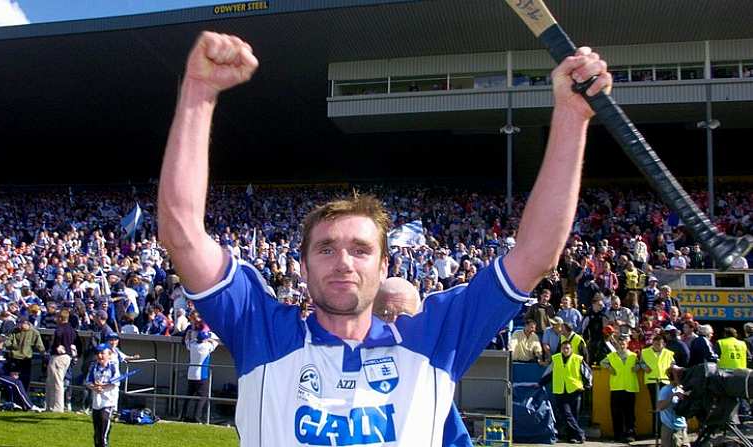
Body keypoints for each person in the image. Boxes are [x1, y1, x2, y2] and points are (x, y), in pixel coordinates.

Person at [157, 31, 611, 445]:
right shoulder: (263, 331)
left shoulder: (433, 338)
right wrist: (199, 92)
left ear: (385, 266)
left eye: (361, 249)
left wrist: (571, 117)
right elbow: (181, 232)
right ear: (303, 265)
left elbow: (536, 254)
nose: (344, 261)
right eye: (326, 248)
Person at [372, 277, 471, 447]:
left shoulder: (429, 386)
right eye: (385, 315)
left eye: (405, 316)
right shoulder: (342, 367)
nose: (396, 323)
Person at [538, 341, 592, 443]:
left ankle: (572, 437)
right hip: (560, 390)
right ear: (561, 349)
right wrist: (540, 383)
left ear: (571, 349)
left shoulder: (578, 359)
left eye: (567, 348)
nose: (565, 350)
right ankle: (580, 433)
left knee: (573, 415)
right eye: (564, 348)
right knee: (566, 414)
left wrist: (587, 385)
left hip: (575, 390)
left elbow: (587, 372)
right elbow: (549, 373)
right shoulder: (556, 359)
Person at [0, 334, 44, 412]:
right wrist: (7, 373)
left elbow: (7, 364)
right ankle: (30, 406)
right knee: (17, 383)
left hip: (3, 374)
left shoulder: (0, 353)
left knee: (18, 380)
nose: (2, 344)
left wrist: (12, 372)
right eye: (1, 342)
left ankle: (20, 405)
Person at [601, 335, 639, 442]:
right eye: (619, 344)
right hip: (616, 387)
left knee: (630, 414)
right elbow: (602, 363)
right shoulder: (611, 356)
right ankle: (617, 435)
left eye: (623, 344)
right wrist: (609, 367)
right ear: (616, 345)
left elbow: (640, 365)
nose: (621, 346)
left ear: (627, 344)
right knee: (616, 413)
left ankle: (630, 434)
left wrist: (637, 367)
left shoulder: (633, 355)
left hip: (630, 387)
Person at [85, 343, 121, 447]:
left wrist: (103, 385)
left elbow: (116, 382)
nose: (100, 356)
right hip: (97, 402)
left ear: (109, 355)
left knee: (103, 430)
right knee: (97, 433)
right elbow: (88, 382)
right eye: (98, 353)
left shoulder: (113, 367)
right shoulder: (93, 367)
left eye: (102, 353)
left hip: (108, 401)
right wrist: (94, 387)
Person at [639, 334, 675, 433]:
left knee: (665, 406)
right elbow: (640, 362)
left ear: (663, 344)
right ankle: (656, 430)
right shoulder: (645, 352)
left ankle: (665, 429)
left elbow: (673, 364)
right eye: (655, 344)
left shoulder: (669, 353)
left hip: (665, 381)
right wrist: (644, 367)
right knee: (655, 405)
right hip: (652, 380)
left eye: (659, 344)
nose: (657, 346)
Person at [182, 330, 219, 423]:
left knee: (188, 396)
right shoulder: (206, 346)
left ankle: (183, 415)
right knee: (203, 397)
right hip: (201, 375)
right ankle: (196, 417)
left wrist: (188, 334)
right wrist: (210, 338)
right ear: (205, 339)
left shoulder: (193, 344)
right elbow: (216, 341)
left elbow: (187, 340)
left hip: (191, 374)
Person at [46, 309, 79, 412]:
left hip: (59, 356)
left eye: (57, 317)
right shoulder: (72, 329)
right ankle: (52, 406)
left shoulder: (60, 329)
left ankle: (56, 407)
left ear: (61, 318)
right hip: (68, 357)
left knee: (56, 382)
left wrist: (56, 346)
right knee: (57, 381)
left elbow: (57, 340)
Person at [4, 316, 45, 392]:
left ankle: (24, 394)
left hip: (26, 359)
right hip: (14, 357)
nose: (18, 326)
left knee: (25, 378)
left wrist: (43, 353)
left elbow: (39, 345)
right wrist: (12, 345)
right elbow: (7, 341)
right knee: (13, 378)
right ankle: (12, 394)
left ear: (26, 323)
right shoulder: (14, 331)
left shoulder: (34, 332)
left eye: (20, 324)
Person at [656, 367, 690, 447]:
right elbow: (660, 407)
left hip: (682, 427)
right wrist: (672, 396)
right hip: (670, 429)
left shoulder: (681, 389)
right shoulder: (665, 390)